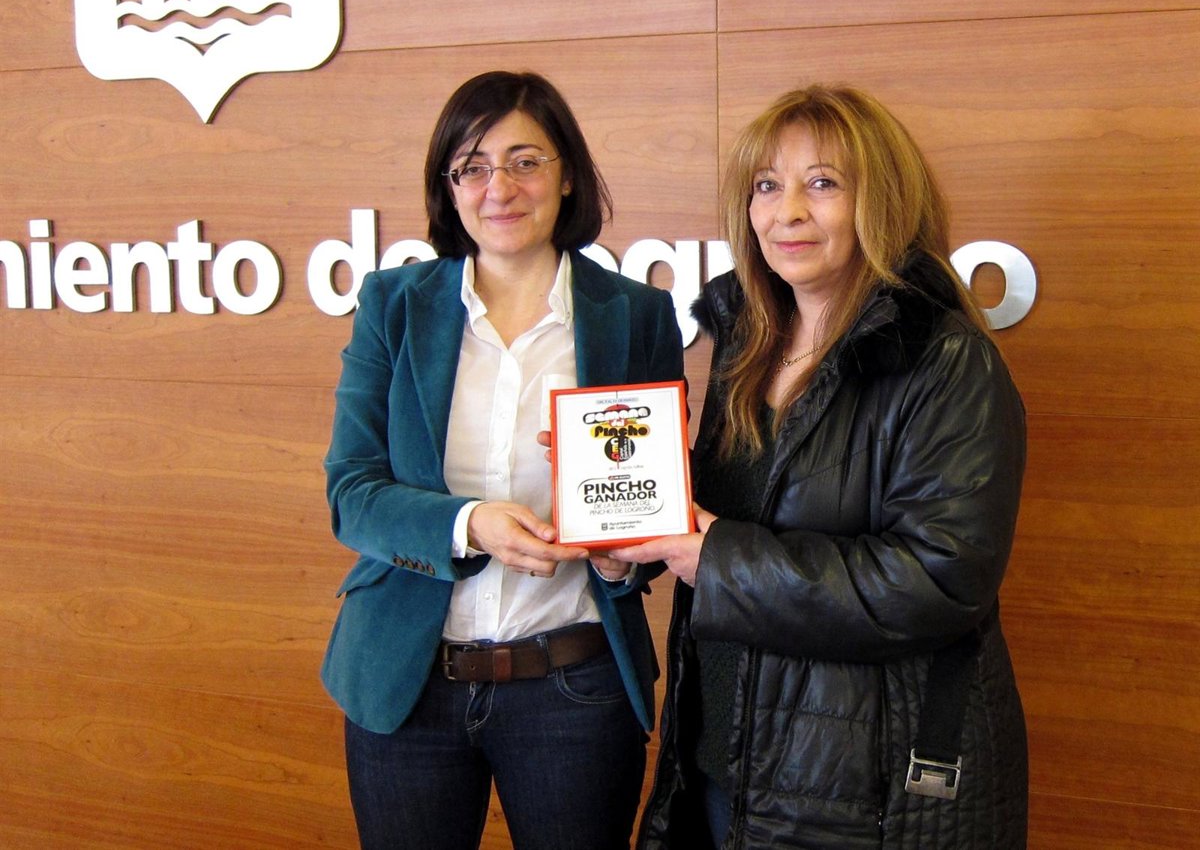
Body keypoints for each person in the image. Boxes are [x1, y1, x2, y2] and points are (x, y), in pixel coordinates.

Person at [614, 84, 1028, 849]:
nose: (787, 212)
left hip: (853, 795)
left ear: (884, 201)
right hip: (719, 764)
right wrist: (622, 523)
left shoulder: (945, 361)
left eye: (823, 183)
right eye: (767, 185)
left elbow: (939, 582)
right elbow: (720, 523)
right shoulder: (748, 345)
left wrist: (716, 558)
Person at [321, 71, 684, 850]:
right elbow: (352, 493)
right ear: (448, 186)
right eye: (473, 167)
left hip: (573, 686)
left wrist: (623, 555)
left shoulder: (637, 316)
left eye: (525, 162)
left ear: (567, 175)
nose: (500, 188)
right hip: (409, 683)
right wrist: (470, 524)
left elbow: (653, 505)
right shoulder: (393, 305)